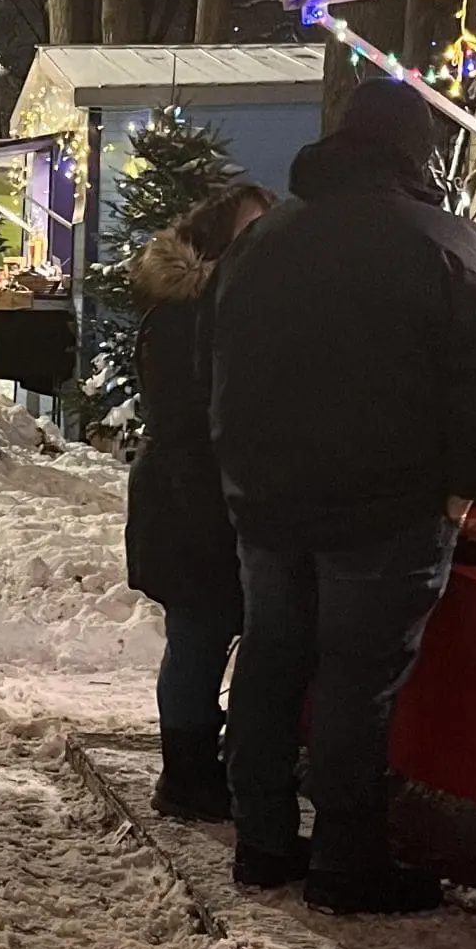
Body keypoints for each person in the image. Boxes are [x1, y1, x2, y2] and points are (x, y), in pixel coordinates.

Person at [212, 79, 476, 914]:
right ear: (418, 151)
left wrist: (241, 473)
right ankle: (346, 860)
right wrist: (459, 492)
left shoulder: (266, 240)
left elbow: (219, 371)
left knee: (270, 660)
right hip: (387, 511)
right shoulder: (443, 242)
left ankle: (262, 840)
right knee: (355, 680)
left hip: (269, 503)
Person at [124, 183, 275, 822]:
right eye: (253, 229)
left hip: (210, 497)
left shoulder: (232, 304)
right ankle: (186, 775)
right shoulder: (191, 313)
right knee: (198, 636)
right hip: (192, 503)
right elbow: (188, 418)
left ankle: (204, 766)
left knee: (211, 635)